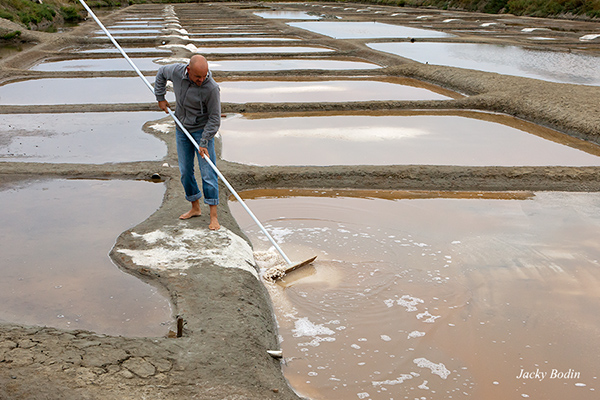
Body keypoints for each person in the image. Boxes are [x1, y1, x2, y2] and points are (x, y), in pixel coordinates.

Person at [154, 54, 221, 230]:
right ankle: (195, 208)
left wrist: (204, 142)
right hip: (182, 128)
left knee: (208, 172)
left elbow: (214, 119)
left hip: (202, 131)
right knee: (185, 171)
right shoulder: (176, 72)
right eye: (197, 77)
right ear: (188, 70)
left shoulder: (211, 88)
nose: (201, 80)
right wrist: (160, 97)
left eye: (204, 76)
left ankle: (213, 216)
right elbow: (161, 73)